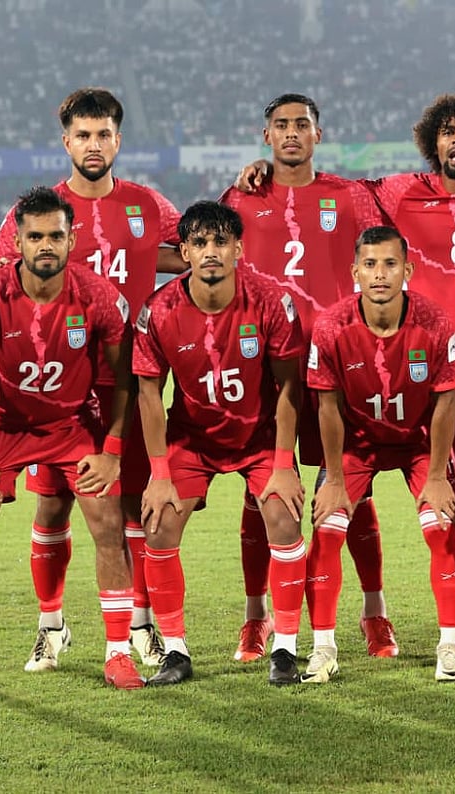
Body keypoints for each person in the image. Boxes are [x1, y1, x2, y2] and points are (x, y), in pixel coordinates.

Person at [239, 94, 455, 661]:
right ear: (432, 142)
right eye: (447, 132)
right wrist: (271, 170)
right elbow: (319, 185)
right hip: (432, 377)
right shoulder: (398, 191)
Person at [0, 88, 183, 671]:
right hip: (59, 388)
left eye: (104, 134)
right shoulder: (42, 210)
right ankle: (52, 626)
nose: (94, 145)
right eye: (83, 135)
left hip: (128, 379)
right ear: (66, 141)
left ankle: (139, 625)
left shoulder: (147, 204)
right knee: (53, 507)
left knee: (133, 506)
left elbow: (192, 244)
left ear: (118, 140)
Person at [0, 186, 144, 694]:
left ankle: (118, 654)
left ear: (72, 240)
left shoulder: (98, 296)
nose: (46, 245)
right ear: (18, 242)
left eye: (55, 236)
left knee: (107, 522)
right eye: (35, 237)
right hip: (3, 423)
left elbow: (123, 379)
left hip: (72, 423)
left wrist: (112, 451)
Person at [219, 93, 387, 663]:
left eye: (302, 124)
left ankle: (374, 612)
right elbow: (205, 254)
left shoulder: (350, 196)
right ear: (266, 135)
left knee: (351, 489)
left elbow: (384, 257)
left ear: (319, 133)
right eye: (281, 125)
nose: (292, 133)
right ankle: (256, 617)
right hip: (265, 369)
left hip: (338, 363)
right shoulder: (241, 197)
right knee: (261, 492)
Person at [133, 201, 307, 686]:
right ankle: (175, 653)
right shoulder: (158, 311)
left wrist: (283, 464)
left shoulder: (270, 300)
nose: (211, 251)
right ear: (184, 252)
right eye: (200, 242)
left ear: (238, 249)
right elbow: (149, 394)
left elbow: (290, 386)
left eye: (220, 242)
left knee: (284, 515)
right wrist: (159, 475)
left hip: (260, 436)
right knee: (158, 525)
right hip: (193, 439)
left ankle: (285, 649)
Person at [305, 226, 455, 683]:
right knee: (328, 530)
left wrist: (437, 475)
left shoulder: (436, 323)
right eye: (370, 265)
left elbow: (446, 402)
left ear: (407, 270)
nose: (380, 274)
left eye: (390, 264)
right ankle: (323, 648)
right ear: (354, 271)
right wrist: (334, 479)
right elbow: (328, 407)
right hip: (357, 443)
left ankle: (450, 645)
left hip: (419, 442)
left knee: (440, 527)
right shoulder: (331, 327)